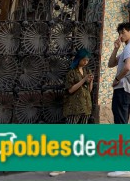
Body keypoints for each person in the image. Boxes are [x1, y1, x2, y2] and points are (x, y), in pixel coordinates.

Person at [49, 47, 93, 176]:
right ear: (79, 59)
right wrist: (83, 80)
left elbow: (88, 91)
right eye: (84, 60)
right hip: (73, 108)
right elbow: (70, 90)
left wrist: (90, 82)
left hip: (85, 107)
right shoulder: (71, 73)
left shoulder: (86, 71)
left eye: (87, 60)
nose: (85, 62)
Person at [106, 22, 130, 179]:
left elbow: (127, 66)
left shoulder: (129, 48)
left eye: (124, 32)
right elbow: (111, 63)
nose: (121, 35)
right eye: (120, 32)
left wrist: (116, 79)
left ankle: (124, 168)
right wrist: (115, 47)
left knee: (120, 129)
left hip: (123, 90)